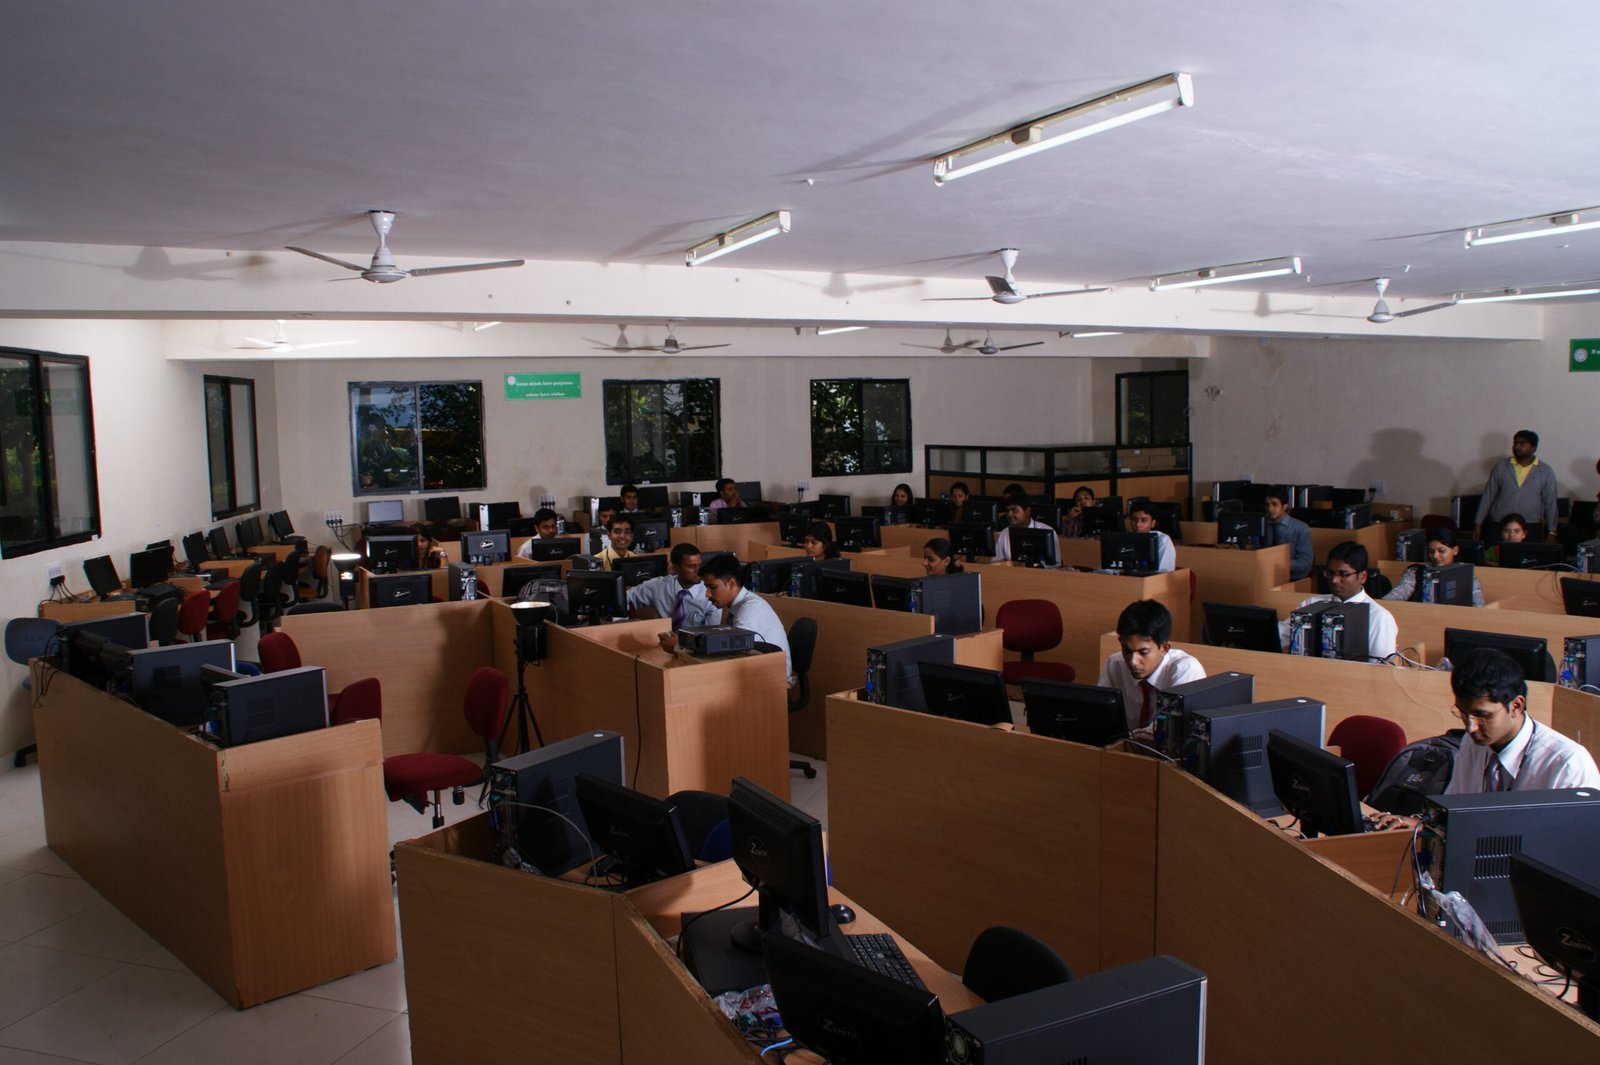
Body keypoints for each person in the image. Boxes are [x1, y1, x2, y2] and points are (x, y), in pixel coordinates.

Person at [1444, 647, 1600, 793]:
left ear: (1516, 706)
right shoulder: (1471, 744)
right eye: (1463, 714)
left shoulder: (1568, 765)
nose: (1471, 727)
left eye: (1482, 716)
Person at [659, 554, 793, 684]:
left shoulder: (750, 610)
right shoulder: (736, 606)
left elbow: (736, 658)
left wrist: (678, 647)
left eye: (712, 587)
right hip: (758, 672)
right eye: (706, 587)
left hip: (773, 680)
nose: (707, 594)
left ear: (731, 584)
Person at [1096, 600, 1207, 732]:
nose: (1133, 662)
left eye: (1143, 652)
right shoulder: (1115, 664)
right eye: (1127, 650)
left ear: (1164, 649)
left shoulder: (1186, 670)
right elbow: (1100, 713)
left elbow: (1173, 730)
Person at [1278, 542, 1398, 662]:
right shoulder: (1311, 604)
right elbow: (1282, 635)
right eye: (1330, 573)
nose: (1334, 580)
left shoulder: (1379, 617)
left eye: (1343, 574)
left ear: (1362, 576)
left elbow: (1381, 667)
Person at [1473, 429, 1557, 544]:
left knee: (1526, 559)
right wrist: (1478, 523)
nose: (1517, 447)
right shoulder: (1501, 467)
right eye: (1515, 443)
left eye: (1522, 443)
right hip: (1499, 523)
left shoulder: (1545, 471)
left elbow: (1551, 503)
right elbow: (1488, 496)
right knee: (1494, 559)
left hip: (1530, 524)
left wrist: (1552, 531)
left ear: (1533, 448)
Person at [1385, 526, 1484, 606]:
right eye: (1431, 551)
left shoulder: (1467, 576)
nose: (1435, 556)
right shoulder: (1415, 572)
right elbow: (1397, 594)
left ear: (1455, 550)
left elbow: (1478, 606)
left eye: (1441, 551)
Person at [629, 543, 718, 628]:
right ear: (676, 568)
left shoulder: (712, 595)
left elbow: (710, 637)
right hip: (659, 641)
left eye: (700, 565)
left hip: (693, 643)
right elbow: (626, 599)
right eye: (691, 566)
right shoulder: (658, 586)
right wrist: (630, 622)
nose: (698, 570)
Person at [1262, 486, 1313, 581]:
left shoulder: (1301, 528)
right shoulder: (1262, 526)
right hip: (1266, 577)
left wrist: (1278, 564)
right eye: (1267, 505)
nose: (1270, 508)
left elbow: (1305, 563)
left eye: (1274, 504)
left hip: (1293, 578)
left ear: (1285, 506)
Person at [992, 494, 1055, 563]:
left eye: (1014, 510)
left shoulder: (1047, 531)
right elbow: (995, 562)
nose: (1009, 514)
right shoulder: (1004, 533)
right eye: (1008, 511)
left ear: (1027, 511)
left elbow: (1056, 564)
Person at [1127, 501, 1177, 573]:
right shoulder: (1126, 538)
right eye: (1134, 519)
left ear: (1153, 523)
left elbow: (1163, 573)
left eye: (1144, 520)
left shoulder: (1163, 541)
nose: (1138, 524)